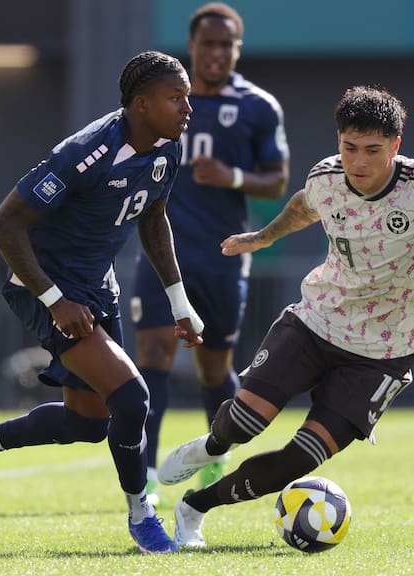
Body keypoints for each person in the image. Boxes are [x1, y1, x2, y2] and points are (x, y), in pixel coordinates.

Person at [157, 85, 414, 548]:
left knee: (300, 457)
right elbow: (302, 206)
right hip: (316, 322)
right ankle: (211, 447)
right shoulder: (326, 178)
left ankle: (194, 508)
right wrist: (263, 237)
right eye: (349, 147)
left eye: (373, 150)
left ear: (396, 146)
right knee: (244, 424)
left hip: (383, 354)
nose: (358, 162)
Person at [0, 50, 204, 554]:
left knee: (88, 423)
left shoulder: (168, 148)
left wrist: (179, 302)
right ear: (141, 104)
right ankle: (141, 515)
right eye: (176, 97)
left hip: (95, 287)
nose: (187, 107)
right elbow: (4, 225)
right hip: (43, 288)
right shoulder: (85, 152)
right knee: (133, 398)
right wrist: (57, 299)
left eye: (187, 96)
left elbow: (152, 220)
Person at [130, 2, 289, 502]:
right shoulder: (160, 101)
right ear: (192, 45)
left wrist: (233, 177)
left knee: (214, 369)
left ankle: (214, 459)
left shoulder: (258, 107)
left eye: (228, 45)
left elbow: (279, 180)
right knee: (152, 354)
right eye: (209, 43)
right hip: (162, 254)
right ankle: (147, 478)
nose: (217, 53)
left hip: (223, 255)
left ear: (237, 50)